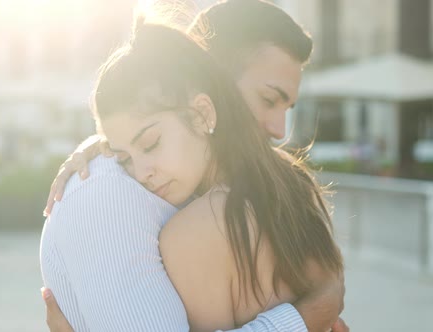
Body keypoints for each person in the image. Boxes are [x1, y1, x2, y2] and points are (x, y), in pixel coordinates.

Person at [40, 1, 348, 331]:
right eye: (268, 100)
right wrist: (314, 312)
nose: (279, 130)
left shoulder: (197, 226)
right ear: (208, 92)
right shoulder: (290, 185)